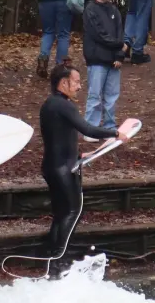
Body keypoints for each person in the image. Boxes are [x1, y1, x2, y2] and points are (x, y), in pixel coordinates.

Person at [40, 64, 122, 257]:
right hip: (64, 169)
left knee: (61, 213)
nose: (79, 86)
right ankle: (60, 258)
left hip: (53, 166)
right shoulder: (63, 105)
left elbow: (59, 137)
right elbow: (88, 129)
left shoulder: (50, 104)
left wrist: (77, 154)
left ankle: (51, 254)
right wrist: (116, 132)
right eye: (76, 82)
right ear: (63, 82)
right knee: (73, 211)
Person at [82, 0, 127, 130]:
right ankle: (91, 129)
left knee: (112, 96)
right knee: (95, 96)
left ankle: (109, 128)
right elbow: (99, 35)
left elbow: (119, 32)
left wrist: (120, 55)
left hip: (113, 60)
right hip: (97, 59)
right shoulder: (90, 10)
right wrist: (121, 45)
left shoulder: (114, 10)